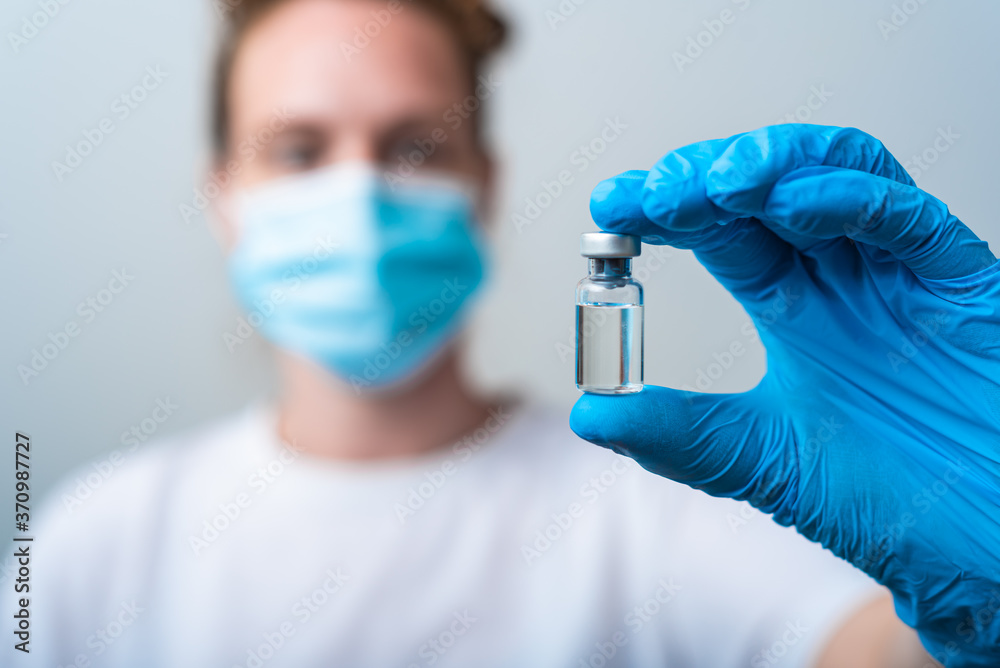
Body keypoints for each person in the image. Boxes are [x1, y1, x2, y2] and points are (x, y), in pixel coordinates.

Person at [4, 0, 994, 666]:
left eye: (417, 145)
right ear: (222, 194)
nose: (358, 194)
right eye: (297, 148)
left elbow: (861, 643)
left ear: (484, 181)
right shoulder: (91, 542)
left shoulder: (646, 504)